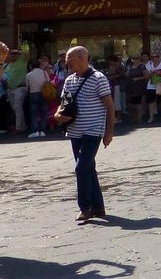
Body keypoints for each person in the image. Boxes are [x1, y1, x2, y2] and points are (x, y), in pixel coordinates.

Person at [55, 46, 114, 222]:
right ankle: (98, 207)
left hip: (92, 131)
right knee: (88, 168)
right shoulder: (69, 80)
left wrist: (108, 132)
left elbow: (109, 107)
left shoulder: (99, 79)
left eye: (69, 59)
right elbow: (64, 103)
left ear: (82, 58)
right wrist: (58, 114)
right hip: (74, 131)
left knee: (81, 168)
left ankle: (85, 208)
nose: (66, 63)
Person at [25, 55, 51, 138]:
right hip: (44, 94)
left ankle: (35, 131)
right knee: (44, 113)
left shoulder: (28, 75)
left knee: (34, 114)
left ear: (31, 66)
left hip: (33, 94)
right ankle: (43, 131)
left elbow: (27, 87)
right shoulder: (44, 73)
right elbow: (48, 82)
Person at [143, 52, 161, 122]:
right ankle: (151, 118)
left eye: (156, 56)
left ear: (158, 57)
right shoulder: (148, 66)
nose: (154, 58)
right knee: (150, 102)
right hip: (151, 85)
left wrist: (160, 73)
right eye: (153, 57)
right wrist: (150, 73)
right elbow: (146, 77)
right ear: (151, 58)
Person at [125, 55, 146, 124]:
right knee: (133, 104)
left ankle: (139, 118)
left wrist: (138, 78)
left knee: (138, 103)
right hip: (131, 87)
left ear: (139, 60)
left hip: (139, 86)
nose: (135, 60)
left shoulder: (142, 67)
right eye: (133, 59)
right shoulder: (130, 67)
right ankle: (135, 117)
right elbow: (127, 75)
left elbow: (146, 76)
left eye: (136, 59)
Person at [105, 55, 126, 124]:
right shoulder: (111, 66)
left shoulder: (118, 66)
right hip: (112, 84)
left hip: (117, 84)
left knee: (117, 102)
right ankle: (115, 117)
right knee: (113, 101)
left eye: (109, 61)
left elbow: (122, 75)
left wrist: (113, 76)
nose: (109, 62)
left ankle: (119, 117)